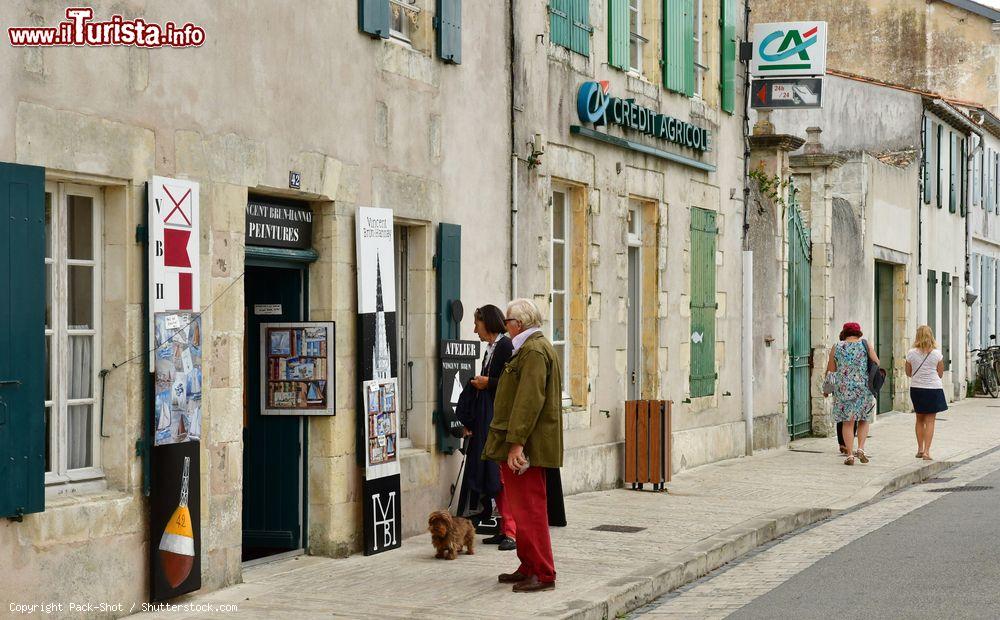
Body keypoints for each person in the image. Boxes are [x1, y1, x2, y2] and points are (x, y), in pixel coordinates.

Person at [483, 298, 563, 593]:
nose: (505, 327)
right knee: (522, 508)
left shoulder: (533, 351)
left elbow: (529, 402)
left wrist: (516, 444)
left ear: (517, 324)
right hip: (523, 443)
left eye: (506, 322)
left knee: (530, 510)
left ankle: (542, 573)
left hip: (526, 446)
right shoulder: (530, 348)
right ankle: (528, 565)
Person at [458, 304, 516, 551]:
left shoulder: (504, 346)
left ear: (488, 323)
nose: (475, 330)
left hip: (498, 420)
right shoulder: (490, 349)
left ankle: (511, 531)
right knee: (492, 474)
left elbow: (509, 381)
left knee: (499, 475)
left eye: (477, 325)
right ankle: (503, 528)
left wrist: (487, 382)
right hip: (487, 419)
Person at [826, 322, 879, 466]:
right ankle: (861, 448)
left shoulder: (837, 347)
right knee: (863, 419)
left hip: (844, 389)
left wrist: (827, 390)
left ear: (844, 332)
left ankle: (849, 454)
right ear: (858, 333)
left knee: (847, 423)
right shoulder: (865, 344)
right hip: (863, 388)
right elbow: (876, 362)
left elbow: (831, 370)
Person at [905, 325, 947, 460]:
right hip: (933, 389)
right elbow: (940, 374)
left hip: (917, 388)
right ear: (931, 336)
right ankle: (927, 452)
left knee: (919, 419)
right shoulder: (937, 354)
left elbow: (908, 373)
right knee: (930, 421)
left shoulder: (911, 353)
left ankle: (920, 449)